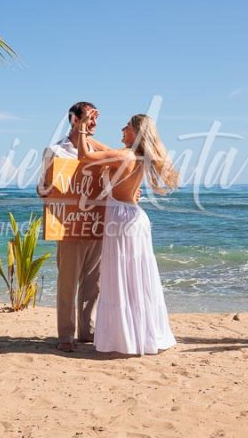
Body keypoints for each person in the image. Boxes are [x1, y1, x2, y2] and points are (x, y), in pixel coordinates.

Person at [76, 110, 179, 355]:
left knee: (122, 276)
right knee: (136, 278)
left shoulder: (125, 155)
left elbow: (84, 157)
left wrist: (81, 127)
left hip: (122, 220)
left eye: (126, 126)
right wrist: (89, 135)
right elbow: (103, 149)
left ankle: (124, 337)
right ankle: (141, 335)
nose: (122, 129)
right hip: (133, 218)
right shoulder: (137, 156)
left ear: (135, 132)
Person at [38, 102, 110, 353]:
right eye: (90, 118)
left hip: (96, 224)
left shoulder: (98, 151)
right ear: (73, 118)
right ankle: (65, 334)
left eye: (95, 119)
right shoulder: (56, 151)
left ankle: (86, 330)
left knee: (94, 282)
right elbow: (41, 190)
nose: (94, 123)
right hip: (68, 226)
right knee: (68, 282)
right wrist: (56, 189)